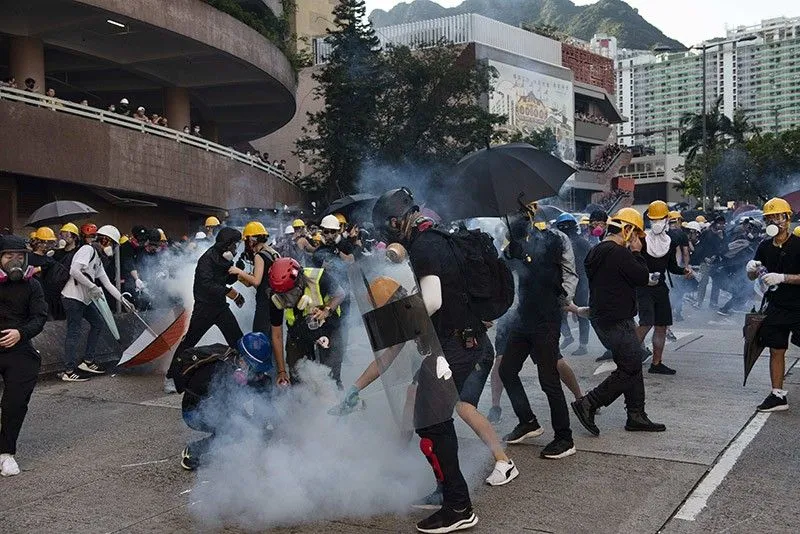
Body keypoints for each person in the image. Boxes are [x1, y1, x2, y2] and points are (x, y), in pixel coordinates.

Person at [334, 188, 484, 533]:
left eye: (389, 231)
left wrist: (392, 325)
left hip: (456, 346)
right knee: (429, 420)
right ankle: (448, 492)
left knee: (432, 423)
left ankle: (458, 506)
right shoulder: (436, 238)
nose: (389, 238)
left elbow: (430, 302)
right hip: (457, 342)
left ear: (396, 221)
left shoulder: (427, 245)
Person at [571, 208, 666, 436]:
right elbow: (642, 277)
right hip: (617, 320)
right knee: (630, 367)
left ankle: (636, 414)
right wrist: (636, 252)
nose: (636, 240)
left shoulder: (596, 251)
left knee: (632, 365)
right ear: (628, 229)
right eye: (635, 234)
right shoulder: (619, 252)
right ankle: (589, 403)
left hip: (604, 319)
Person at [499, 206, 578, 460]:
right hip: (523, 317)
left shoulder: (556, 239)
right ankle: (528, 421)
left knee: (548, 379)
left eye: (519, 215)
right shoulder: (514, 241)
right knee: (507, 370)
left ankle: (564, 438)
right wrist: (511, 254)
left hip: (546, 318)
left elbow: (569, 273)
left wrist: (564, 300)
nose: (515, 220)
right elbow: (508, 270)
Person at [174, 333, 275, 470]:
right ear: (243, 361)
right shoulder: (222, 372)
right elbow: (230, 410)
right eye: (256, 369)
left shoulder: (240, 368)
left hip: (215, 406)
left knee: (247, 419)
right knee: (236, 428)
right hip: (194, 412)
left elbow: (263, 385)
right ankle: (194, 450)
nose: (259, 374)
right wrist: (250, 426)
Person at [166, 227, 246, 392]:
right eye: (234, 244)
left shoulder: (224, 258)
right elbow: (207, 284)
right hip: (204, 309)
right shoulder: (206, 260)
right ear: (227, 243)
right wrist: (230, 292)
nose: (235, 248)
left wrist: (237, 269)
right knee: (188, 343)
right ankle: (171, 377)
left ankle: (245, 375)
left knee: (238, 341)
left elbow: (226, 277)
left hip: (221, 308)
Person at [746, 198, 800, 412]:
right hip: (775, 306)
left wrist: (784, 277)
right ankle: (777, 395)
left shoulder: (798, 244)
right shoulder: (764, 246)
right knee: (776, 349)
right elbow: (756, 276)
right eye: (771, 218)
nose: (776, 221)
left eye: (779, 216)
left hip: (798, 305)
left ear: (788, 218)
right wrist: (751, 271)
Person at [0, 235, 48, 476]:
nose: (14, 261)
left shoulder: (33, 285)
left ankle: (6, 453)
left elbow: (40, 317)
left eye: (19, 256)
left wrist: (21, 333)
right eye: (9, 256)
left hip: (19, 350)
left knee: (15, 403)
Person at [61, 225, 133, 381]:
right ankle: (68, 371)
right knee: (74, 332)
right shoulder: (87, 250)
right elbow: (74, 271)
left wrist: (123, 300)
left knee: (98, 323)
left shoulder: (98, 259)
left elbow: (107, 284)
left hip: (84, 299)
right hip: (72, 298)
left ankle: (88, 361)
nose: (113, 248)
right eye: (112, 244)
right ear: (105, 240)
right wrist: (92, 286)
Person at [228, 222, 290, 387]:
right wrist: (242, 277)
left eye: (247, 240)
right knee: (274, 339)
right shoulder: (273, 252)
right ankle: (279, 374)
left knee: (260, 341)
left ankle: (261, 379)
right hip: (277, 301)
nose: (246, 244)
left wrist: (238, 271)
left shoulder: (259, 255)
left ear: (252, 239)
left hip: (265, 303)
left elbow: (256, 281)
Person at [268, 257, 345, 385]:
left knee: (331, 375)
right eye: (283, 295)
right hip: (298, 332)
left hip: (327, 327)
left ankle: (337, 397)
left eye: (291, 293)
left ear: (300, 282)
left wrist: (326, 311)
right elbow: (276, 335)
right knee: (297, 376)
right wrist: (281, 371)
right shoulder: (276, 296)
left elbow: (340, 294)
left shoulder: (319, 277)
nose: (287, 299)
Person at [636, 201, 692, 375]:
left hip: (660, 288)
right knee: (646, 323)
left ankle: (656, 362)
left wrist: (684, 271)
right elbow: (633, 263)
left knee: (661, 326)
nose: (657, 223)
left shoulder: (670, 242)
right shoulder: (642, 240)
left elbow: (671, 266)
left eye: (660, 219)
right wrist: (643, 277)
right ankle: (627, 356)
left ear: (667, 219)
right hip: (644, 288)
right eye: (654, 219)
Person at [556, 213, 592, 356]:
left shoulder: (573, 243)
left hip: (575, 281)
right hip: (575, 281)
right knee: (571, 311)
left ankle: (580, 343)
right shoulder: (578, 242)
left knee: (574, 311)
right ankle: (573, 339)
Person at [667, 211, 691, 321]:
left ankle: (667, 311)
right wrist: (686, 268)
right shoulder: (682, 234)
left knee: (669, 290)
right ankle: (677, 313)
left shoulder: (665, 233)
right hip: (677, 266)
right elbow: (685, 252)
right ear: (678, 221)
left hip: (665, 267)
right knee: (679, 291)